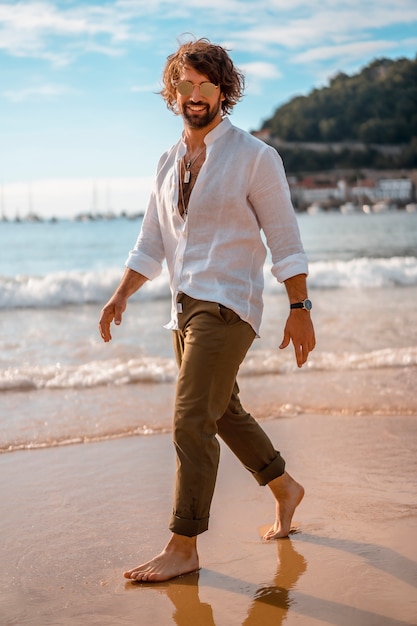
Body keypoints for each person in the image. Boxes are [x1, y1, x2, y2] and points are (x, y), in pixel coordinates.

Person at [98, 38, 316, 583]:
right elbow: (152, 240)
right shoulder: (168, 161)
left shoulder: (256, 157)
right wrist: (122, 291)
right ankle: (285, 487)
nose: (195, 95)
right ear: (173, 91)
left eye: (206, 84)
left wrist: (299, 305)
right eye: (185, 85)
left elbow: (285, 240)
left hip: (229, 305)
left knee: (190, 417)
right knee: (221, 412)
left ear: (223, 89)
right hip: (184, 307)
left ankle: (184, 543)